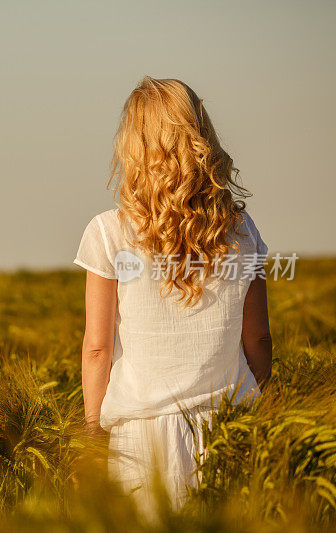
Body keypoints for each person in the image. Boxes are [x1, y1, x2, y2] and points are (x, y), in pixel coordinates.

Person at [73, 77, 272, 515]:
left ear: (133, 145)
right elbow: (257, 338)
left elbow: (97, 347)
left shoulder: (108, 233)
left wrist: (91, 433)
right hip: (228, 426)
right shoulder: (241, 229)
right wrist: (270, 407)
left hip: (138, 440)